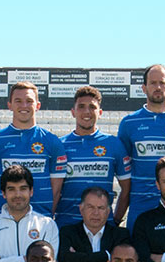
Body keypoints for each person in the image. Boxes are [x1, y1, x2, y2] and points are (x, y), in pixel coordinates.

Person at [117, 64, 165, 231]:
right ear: (144, 88)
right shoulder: (129, 123)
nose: (158, 87)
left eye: (162, 83)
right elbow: (123, 166)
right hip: (140, 207)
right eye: (153, 83)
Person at [0, 81, 67, 217]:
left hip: (41, 219)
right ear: (9, 105)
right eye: (18, 101)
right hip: (6, 219)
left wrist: (46, 217)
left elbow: (56, 190)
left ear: (38, 105)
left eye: (29, 101)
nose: (24, 106)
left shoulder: (52, 141)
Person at [56, 86, 131, 227]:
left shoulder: (114, 144)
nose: (87, 111)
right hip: (66, 226)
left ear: (100, 112)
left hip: (102, 228)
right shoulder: (60, 145)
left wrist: (115, 220)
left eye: (92, 107)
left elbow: (127, 188)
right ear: (73, 112)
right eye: (81, 107)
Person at [58, 187, 130, 262]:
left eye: (100, 208)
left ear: (108, 211)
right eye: (90, 207)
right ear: (81, 209)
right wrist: (106, 255)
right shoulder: (68, 232)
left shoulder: (121, 235)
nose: (95, 213)